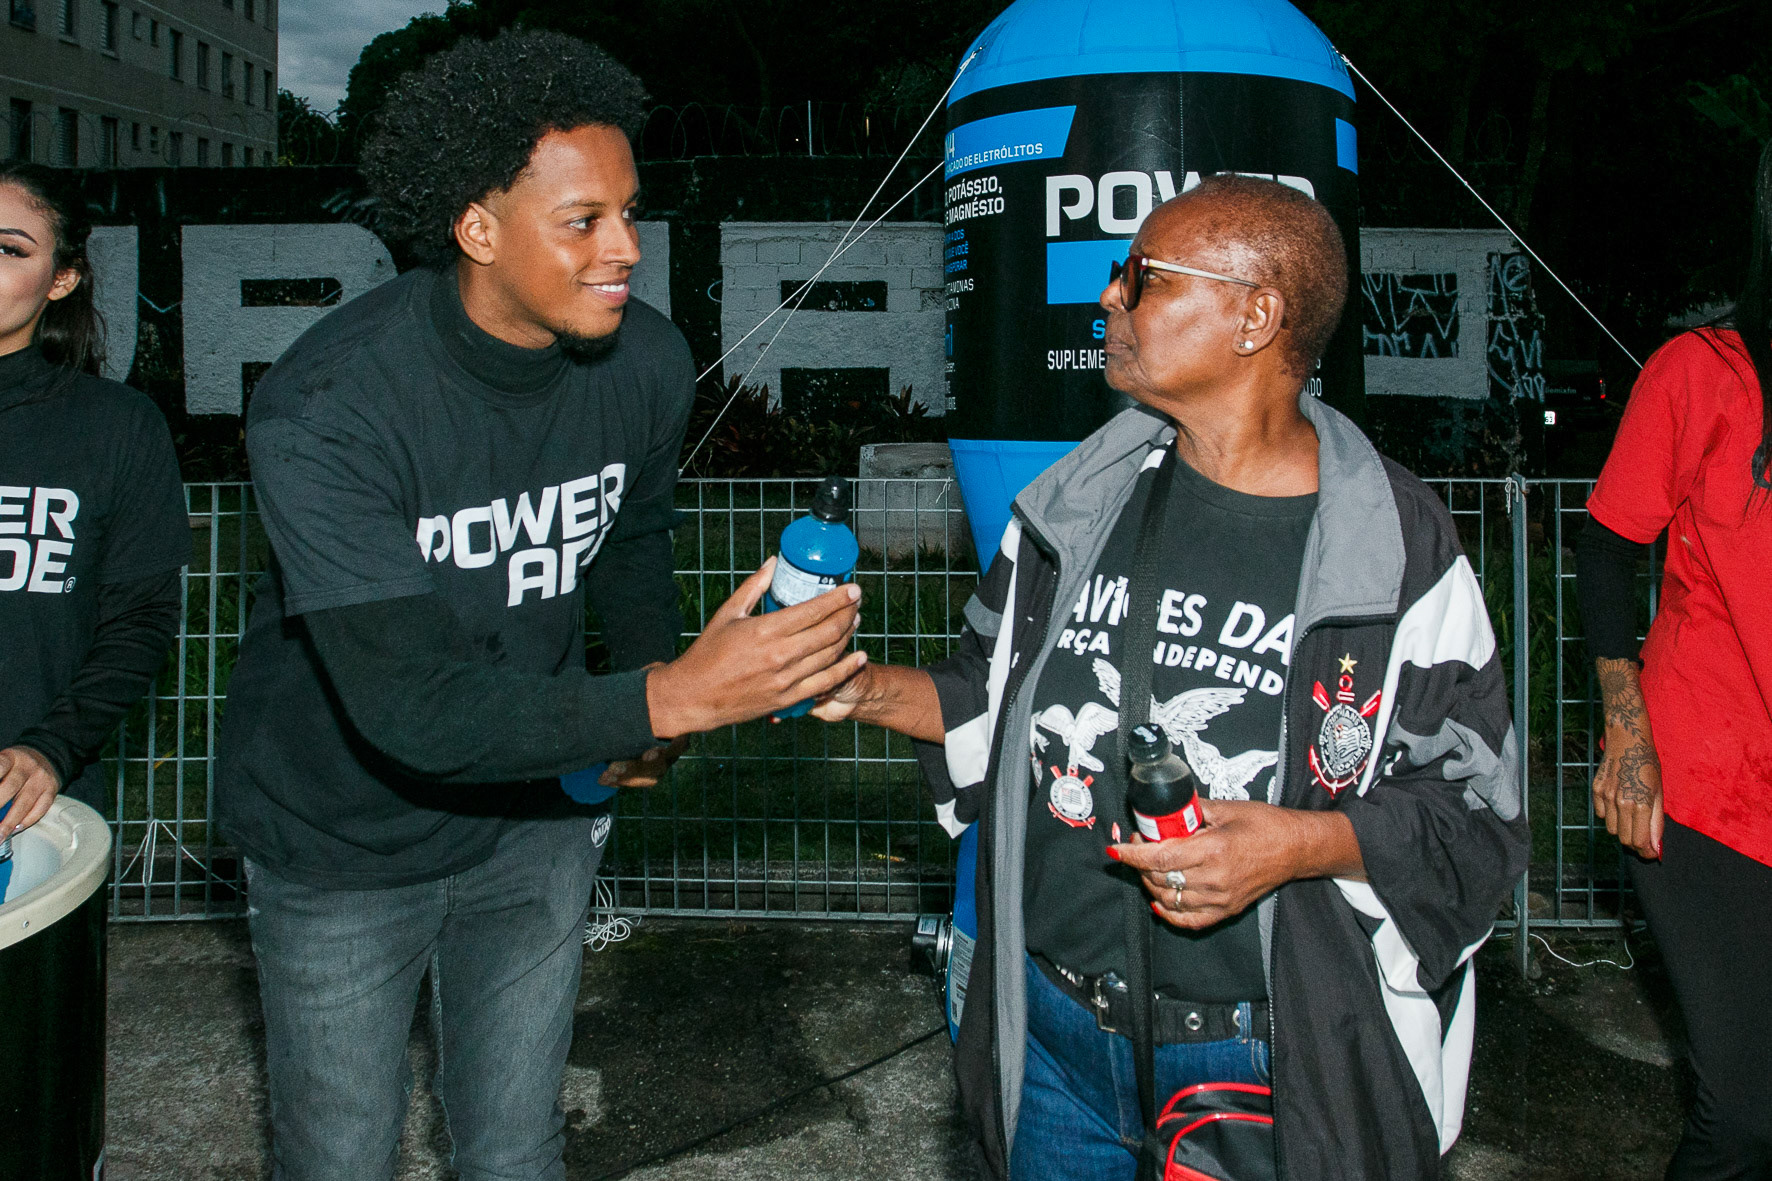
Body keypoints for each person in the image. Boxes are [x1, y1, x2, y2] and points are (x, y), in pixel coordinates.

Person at [214, 31, 865, 1181]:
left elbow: (631, 535)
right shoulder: (329, 405)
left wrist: (647, 695)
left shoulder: (644, 361)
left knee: (516, 1146)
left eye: (629, 212)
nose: (626, 249)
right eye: (582, 221)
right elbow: (409, 705)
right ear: (478, 228)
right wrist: (668, 695)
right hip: (342, 835)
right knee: (339, 1156)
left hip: (539, 815)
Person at [815, 176, 1526, 1180]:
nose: (1110, 296)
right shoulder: (1079, 503)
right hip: (1053, 1041)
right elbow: (990, 696)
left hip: (1264, 1064)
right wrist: (855, 686)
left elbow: (1474, 818)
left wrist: (1300, 845)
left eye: (1143, 275)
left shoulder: (1393, 550)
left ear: (1253, 317)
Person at [1577, 140, 1772, 1180]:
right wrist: (1626, 735)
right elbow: (1609, 545)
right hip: (1706, 786)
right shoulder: (1702, 372)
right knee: (1744, 1114)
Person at [0, 161, 189, 837]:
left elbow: (140, 619)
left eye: (8, 249)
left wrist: (50, 750)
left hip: (30, 811)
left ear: (62, 278)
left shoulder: (114, 426)